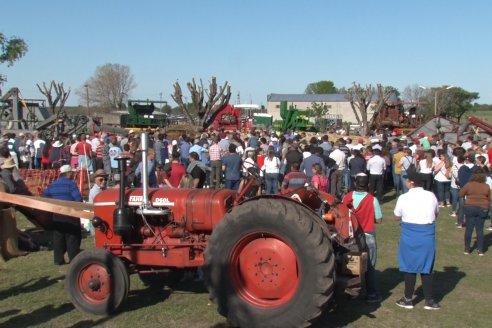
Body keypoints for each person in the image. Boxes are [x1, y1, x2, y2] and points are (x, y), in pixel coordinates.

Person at [393, 168, 440, 310]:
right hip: (426, 234)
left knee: (409, 267)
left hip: (410, 234)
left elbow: (396, 216)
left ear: (411, 183)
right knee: (427, 267)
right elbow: (436, 213)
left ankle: (408, 299)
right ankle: (429, 300)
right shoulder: (431, 196)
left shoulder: (403, 197)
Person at [342, 173, 382, 303]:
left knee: (351, 264)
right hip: (368, 234)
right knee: (370, 265)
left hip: (352, 235)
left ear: (355, 183)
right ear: (368, 185)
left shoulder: (347, 197)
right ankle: (371, 293)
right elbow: (379, 220)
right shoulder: (372, 199)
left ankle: (349, 290)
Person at [43, 164, 83, 265]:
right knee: (72, 236)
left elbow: (45, 195)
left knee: (58, 237)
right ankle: (73, 258)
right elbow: (78, 199)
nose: (73, 175)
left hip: (57, 214)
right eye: (72, 173)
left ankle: (58, 259)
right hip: (70, 214)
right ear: (68, 174)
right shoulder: (71, 184)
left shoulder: (53, 184)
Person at [459, 169, 490, 255]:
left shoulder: (469, 185)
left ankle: (467, 249)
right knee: (480, 229)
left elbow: (461, 194)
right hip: (483, 208)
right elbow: (490, 198)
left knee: (469, 228)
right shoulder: (486, 186)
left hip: (470, 207)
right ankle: (480, 250)